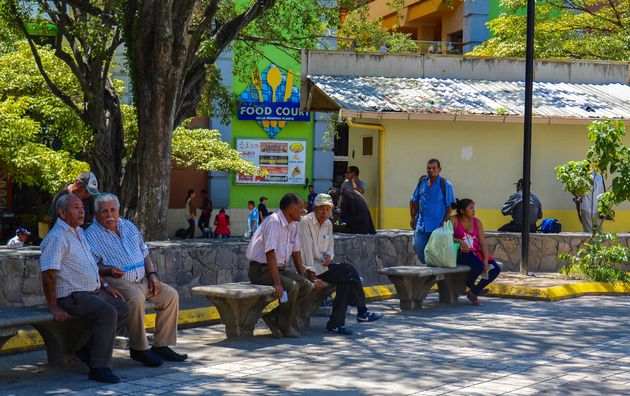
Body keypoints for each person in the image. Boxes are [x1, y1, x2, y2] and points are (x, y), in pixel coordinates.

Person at [85, 193, 188, 367]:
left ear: (118, 210)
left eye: (113, 210)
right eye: (104, 211)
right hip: (117, 281)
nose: (110, 215)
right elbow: (90, 267)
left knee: (170, 295)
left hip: (143, 279)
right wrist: (107, 270)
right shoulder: (90, 235)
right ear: (96, 214)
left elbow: (144, 253)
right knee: (136, 297)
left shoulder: (128, 226)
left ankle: (161, 345)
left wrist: (153, 274)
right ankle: (139, 348)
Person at [40, 194, 129, 384]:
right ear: (62, 213)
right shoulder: (57, 237)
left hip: (92, 292)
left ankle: (88, 349)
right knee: (108, 313)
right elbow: (48, 274)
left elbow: (90, 264)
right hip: (73, 296)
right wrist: (54, 306)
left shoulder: (78, 232)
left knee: (123, 308)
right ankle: (99, 368)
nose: (81, 211)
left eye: (82, 207)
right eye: (75, 207)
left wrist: (105, 286)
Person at [299, 193, 383, 335]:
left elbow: (330, 246)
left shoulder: (328, 224)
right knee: (348, 270)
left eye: (328, 209)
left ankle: (336, 324)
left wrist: (329, 256)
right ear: (315, 208)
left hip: (324, 266)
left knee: (345, 281)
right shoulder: (305, 222)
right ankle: (362, 311)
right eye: (321, 209)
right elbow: (306, 251)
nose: (324, 212)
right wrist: (312, 277)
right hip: (311, 269)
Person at [246, 193, 319, 338]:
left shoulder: (294, 225)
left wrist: (302, 275)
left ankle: (273, 317)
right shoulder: (274, 222)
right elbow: (270, 253)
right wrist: (277, 283)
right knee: (292, 287)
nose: (303, 211)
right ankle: (285, 326)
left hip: (278, 268)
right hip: (260, 270)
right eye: (301, 208)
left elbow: (296, 252)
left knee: (307, 285)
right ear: (291, 208)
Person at [450, 198, 501, 306]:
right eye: (471, 208)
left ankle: (474, 291)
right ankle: (471, 286)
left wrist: (486, 260)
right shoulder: (453, 220)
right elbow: (443, 236)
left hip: (476, 252)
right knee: (478, 265)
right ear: (462, 211)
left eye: (474, 208)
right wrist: (460, 241)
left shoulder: (477, 222)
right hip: (460, 252)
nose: (474, 210)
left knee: (495, 269)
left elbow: (482, 242)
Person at [409, 159, 455, 263]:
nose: (431, 170)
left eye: (434, 168)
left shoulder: (445, 184)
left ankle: (434, 274)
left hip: (437, 227)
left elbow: (450, 206)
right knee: (418, 247)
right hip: (421, 225)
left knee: (436, 254)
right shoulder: (422, 182)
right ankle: (428, 272)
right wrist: (412, 217)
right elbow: (413, 200)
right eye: (429, 168)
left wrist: (443, 221)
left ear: (439, 169)